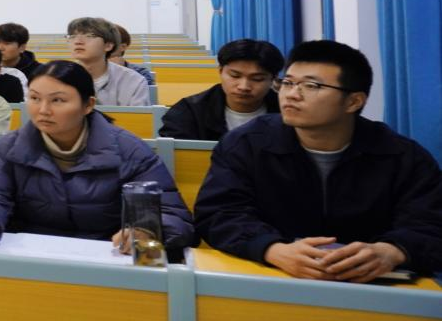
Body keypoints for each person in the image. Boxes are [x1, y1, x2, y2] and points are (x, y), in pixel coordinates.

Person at [195, 40, 442, 281]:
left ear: (354, 101)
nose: (292, 95)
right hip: (274, 277)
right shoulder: (246, 144)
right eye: (287, 83)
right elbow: (220, 213)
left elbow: (429, 224)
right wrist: (272, 249)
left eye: (311, 86)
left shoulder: (402, 157)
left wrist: (393, 251)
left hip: (372, 285)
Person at [0, 61, 194, 251]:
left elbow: (168, 212)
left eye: (57, 100)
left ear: (88, 105)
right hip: (29, 254)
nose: (43, 110)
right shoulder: (9, 148)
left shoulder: (130, 151)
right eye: (34, 98)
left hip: (107, 256)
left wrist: (146, 231)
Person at [160, 39, 282, 140]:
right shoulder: (189, 112)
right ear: (220, 71)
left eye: (257, 79)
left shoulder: (286, 109)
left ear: (273, 79)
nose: (244, 86)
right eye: (235, 76)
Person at [65, 17, 150, 106]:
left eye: (89, 36)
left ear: (108, 45)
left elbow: (138, 115)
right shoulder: (59, 78)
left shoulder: (133, 81)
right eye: (72, 36)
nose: (77, 41)